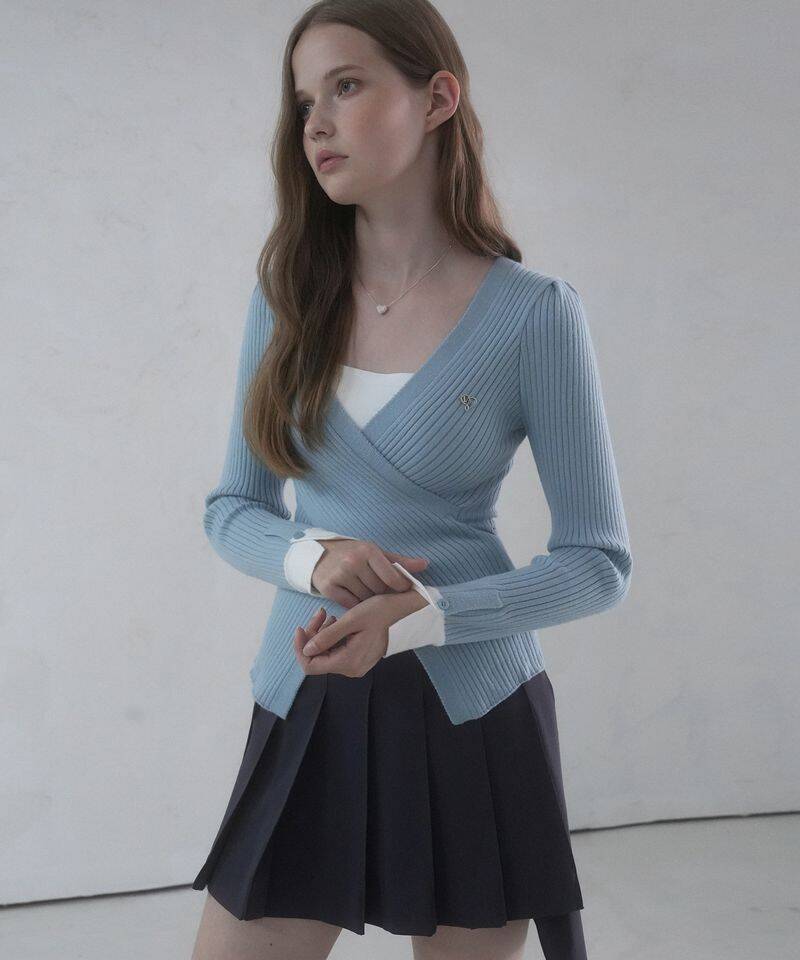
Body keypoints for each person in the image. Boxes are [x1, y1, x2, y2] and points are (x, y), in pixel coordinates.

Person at [190, 2, 632, 958]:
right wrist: (316, 558)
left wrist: (424, 614)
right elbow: (233, 509)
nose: (316, 124)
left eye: (346, 86)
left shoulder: (535, 315)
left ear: (437, 99)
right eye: (304, 101)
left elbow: (599, 563)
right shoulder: (286, 299)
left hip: (473, 705)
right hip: (306, 691)